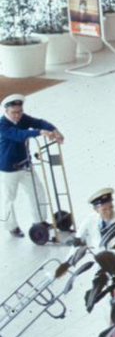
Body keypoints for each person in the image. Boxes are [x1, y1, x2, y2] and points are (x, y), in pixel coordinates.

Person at [1, 94, 64, 239]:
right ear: (6, 111)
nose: (18, 115)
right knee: (9, 198)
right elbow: (18, 134)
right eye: (14, 112)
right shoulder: (2, 124)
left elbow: (39, 122)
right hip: (8, 168)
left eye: (20, 111)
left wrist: (54, 130)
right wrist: (40, 132)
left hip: (25, 165)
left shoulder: (22, 118)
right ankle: (11, 226)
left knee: (38, 191)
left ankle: (39, 221)